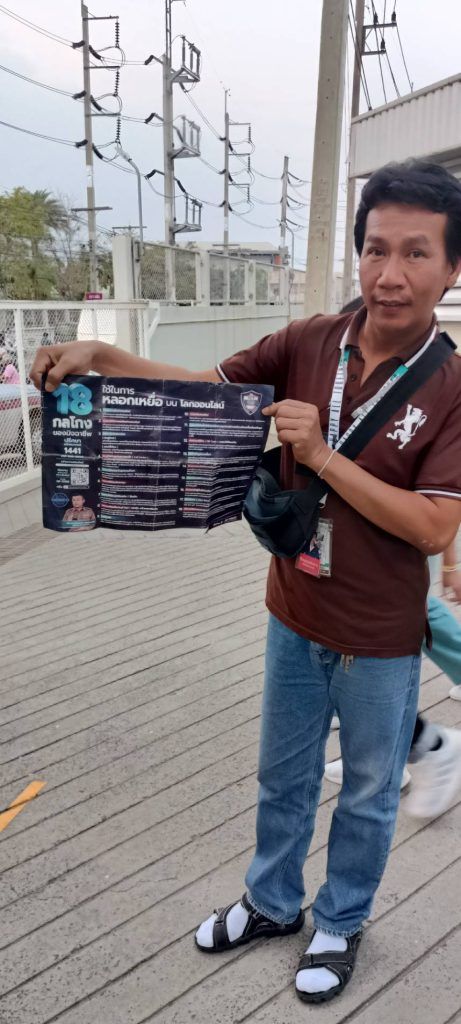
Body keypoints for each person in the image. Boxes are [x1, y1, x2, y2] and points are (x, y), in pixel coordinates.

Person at [30, 159, 461, 1004]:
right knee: (282, 776)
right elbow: (202, 392)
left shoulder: (450, 387)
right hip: (292, 609)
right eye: (375, 249)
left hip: (378, 635)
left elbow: (433, 526)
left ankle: (339, 921)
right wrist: (100, 354)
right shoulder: (308, 341)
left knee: (368, 792)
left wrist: (321, 455)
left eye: (415, 253)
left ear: (451, 269)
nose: (388, 274)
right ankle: (270, 903)